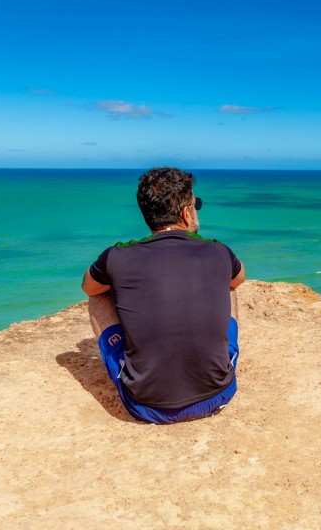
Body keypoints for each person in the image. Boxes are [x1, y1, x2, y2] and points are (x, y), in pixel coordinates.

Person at [81, 167, 246, 424]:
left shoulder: (116, 256)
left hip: (145, 405)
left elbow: (89, 288)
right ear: (185, 212)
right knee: (229, 286)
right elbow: (239, 278)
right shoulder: (219, 251)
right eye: (196, 204)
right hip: (218, 395)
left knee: (100, 295)